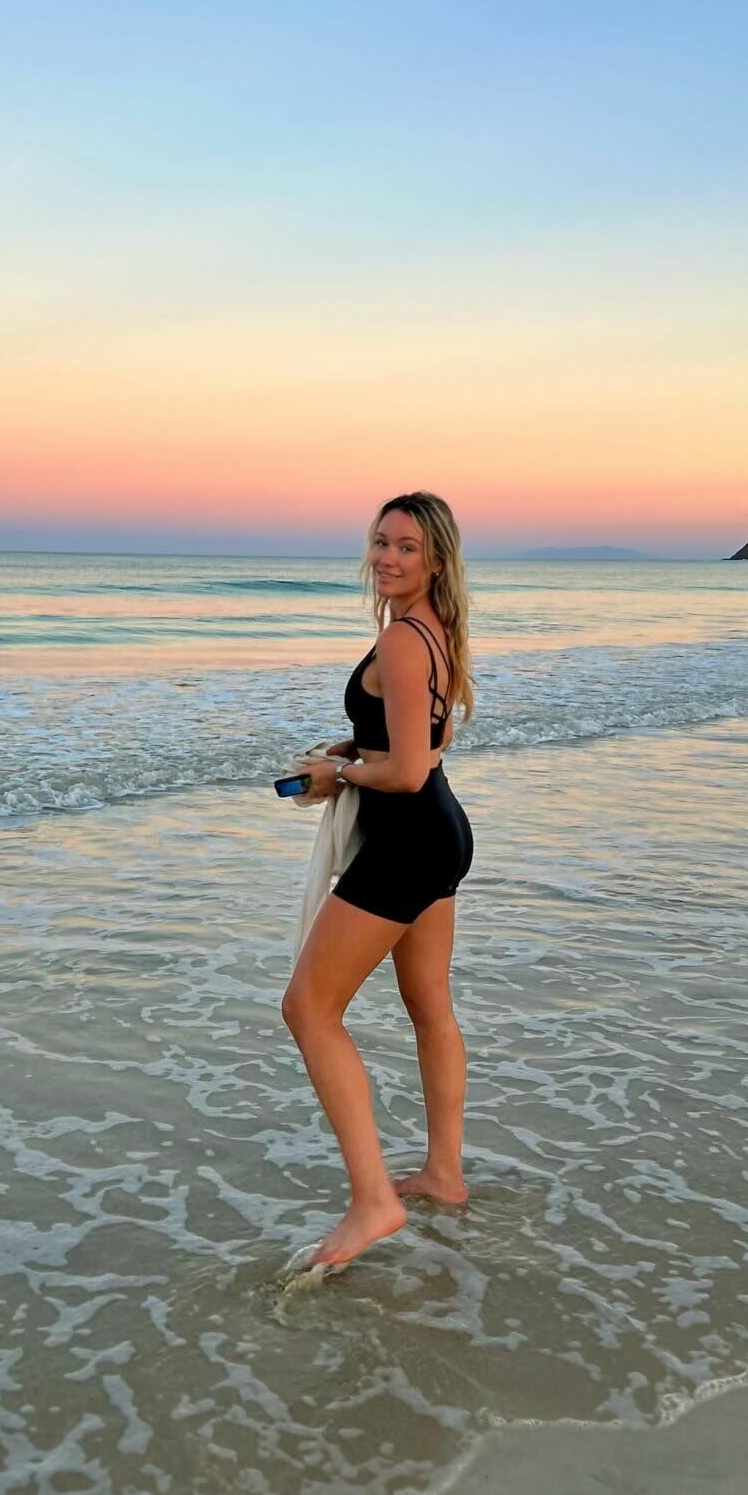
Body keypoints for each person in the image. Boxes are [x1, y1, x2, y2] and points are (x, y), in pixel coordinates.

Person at [281, 491, 476, 1268]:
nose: (387, 558)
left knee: (308, 1008)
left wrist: (340, 775)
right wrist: (355, 748)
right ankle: (444, 1174)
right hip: (441, 833)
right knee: (430, 1007)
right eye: (381, 542)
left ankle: (373, 1202)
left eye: (406, 547)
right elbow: (428, 735)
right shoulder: (435, 631)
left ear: (436, 561)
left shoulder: (400, 640)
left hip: (408, 841)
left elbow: (407, 770)